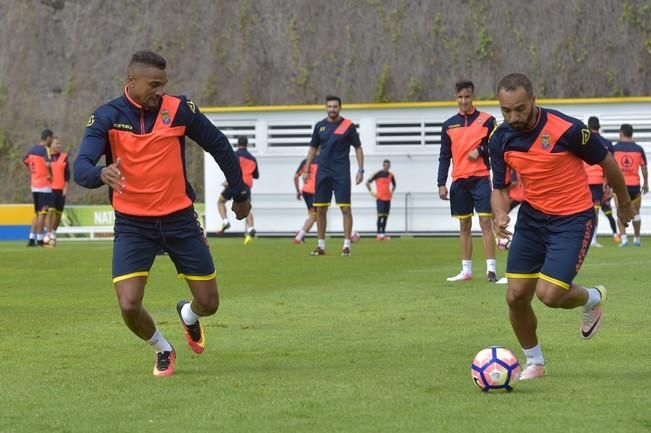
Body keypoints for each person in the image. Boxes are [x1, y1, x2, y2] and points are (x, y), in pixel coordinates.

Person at [74, 51, 251, 377]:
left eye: (163, 85)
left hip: (179, 219)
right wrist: (101, 174)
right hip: (133, 224)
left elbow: (219, 144)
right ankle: (162, 348)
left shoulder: (179, 109)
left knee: (209, 304)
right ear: (132, 80)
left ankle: (189, 315)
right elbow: (81, 168)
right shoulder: (107, 117)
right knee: (128, 304)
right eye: (153, 85)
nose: (159, 91)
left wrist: (240, 193)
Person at [490, 73, 635, 381]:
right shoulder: (499, 138)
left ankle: (593, 297)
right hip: (532, 219)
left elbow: (607, 162)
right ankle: (535, 362)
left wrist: (623, 204)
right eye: (506, 110)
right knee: (515, 297)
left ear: (533, 100)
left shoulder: (567, 129)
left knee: (550, 295)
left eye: (519, 109)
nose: (513, 117)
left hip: (573, 219)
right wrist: (500, 214)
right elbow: (500, 188)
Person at [437, 80, 498, 282]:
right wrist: (441, 183)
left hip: (480, 177)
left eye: (467, 96)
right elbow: (444, 156)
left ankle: (491, 270)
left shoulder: (488, 120)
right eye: (460, 97)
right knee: (464, 224)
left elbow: (497, 147)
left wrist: (480, 150)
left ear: (474, 97)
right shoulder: (448, 125)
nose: (464, 100)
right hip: (459, 180)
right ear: (456, 98)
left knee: (485, 222)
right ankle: (466, 271)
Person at [302, 95, 364, 256]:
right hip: (323, 173)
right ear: (325, 107)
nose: (332, 109)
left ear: (340, 107)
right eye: (329, 106)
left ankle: (347, 245)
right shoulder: (319, 126)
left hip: (341, 173)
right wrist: (307, 169)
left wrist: (360, 169)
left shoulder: (348, 126)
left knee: (345, 208)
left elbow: (358, 148)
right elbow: (312, 148)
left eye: (335, 106)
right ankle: (321, 246)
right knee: (320, 209)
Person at [217, 136, 259, 245]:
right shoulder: (253, 159)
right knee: (246, 208)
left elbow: (232, 169)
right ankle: (251, 228)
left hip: (235, 184)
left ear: (237, 144)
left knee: (221, 201)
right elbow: (256, 175)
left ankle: (225, 221)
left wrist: (227, 181)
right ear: (247, 144)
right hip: (247, 186)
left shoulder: (235, 155)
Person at [612, 123, 648, 246]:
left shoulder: (615, 148)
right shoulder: (638, 149)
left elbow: (609, 167)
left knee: (620, 211)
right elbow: (644, 167)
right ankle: (637, 240)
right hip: (634, 185)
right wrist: (646, 183)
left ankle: (624, 240)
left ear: (621, 133)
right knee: (636, 212)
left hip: (619, 185)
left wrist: (607, 182)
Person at [583, 116, 615, 248]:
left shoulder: (582, 140)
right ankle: (593, 239)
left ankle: (588, 238)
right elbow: (611, 165)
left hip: (582, 180)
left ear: (588, 127)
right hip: (598, 180)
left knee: (582, 210)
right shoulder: (606, 142)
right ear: (599, 127)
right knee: (594, 210)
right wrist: (607, 183)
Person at [23, 129, 54, 246]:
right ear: (48, 138)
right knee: (43, 212)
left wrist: (33, 172)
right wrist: (50, 174)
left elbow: (25, 161)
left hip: (34, 184)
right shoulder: (44, 150)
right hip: (44, 184)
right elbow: (48, 164)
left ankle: (31, 238)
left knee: (37, 213)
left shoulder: (32, 149)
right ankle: (40, 239)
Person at [46, 136, 70, 245]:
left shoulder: (64, 157)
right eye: (56, 143)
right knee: (50, 211)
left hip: (61, 189)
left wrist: (65, 188)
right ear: (50, 145)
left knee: (58, 213)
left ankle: (54, 232)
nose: (58, 145)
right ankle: (48, 233)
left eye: (59, 143)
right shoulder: (46, 157)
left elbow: (67, 175)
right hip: (49, 189)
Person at [366, 159, 396, 240]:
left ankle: (383, 234)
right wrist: (372, 193)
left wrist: (391, 193)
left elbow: (394, 185)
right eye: (385, 165)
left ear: (389, 166)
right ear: (383, 165)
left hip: (388, 199)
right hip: (380, 198)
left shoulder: (391, 175)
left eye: (388, 165)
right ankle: (378, 234)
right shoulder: (378, 174)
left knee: (385, 216)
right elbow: (367, 183)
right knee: (380, 216)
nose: (387, 166)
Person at [293, 154, 319, 244]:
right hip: (315, 191)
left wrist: (298, 191)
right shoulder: (322, 160)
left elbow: (296, 177)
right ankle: (299, 237)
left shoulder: (306, 161)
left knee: (312, 216)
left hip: (305, 191)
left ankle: (300, 234)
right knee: (315, 217)